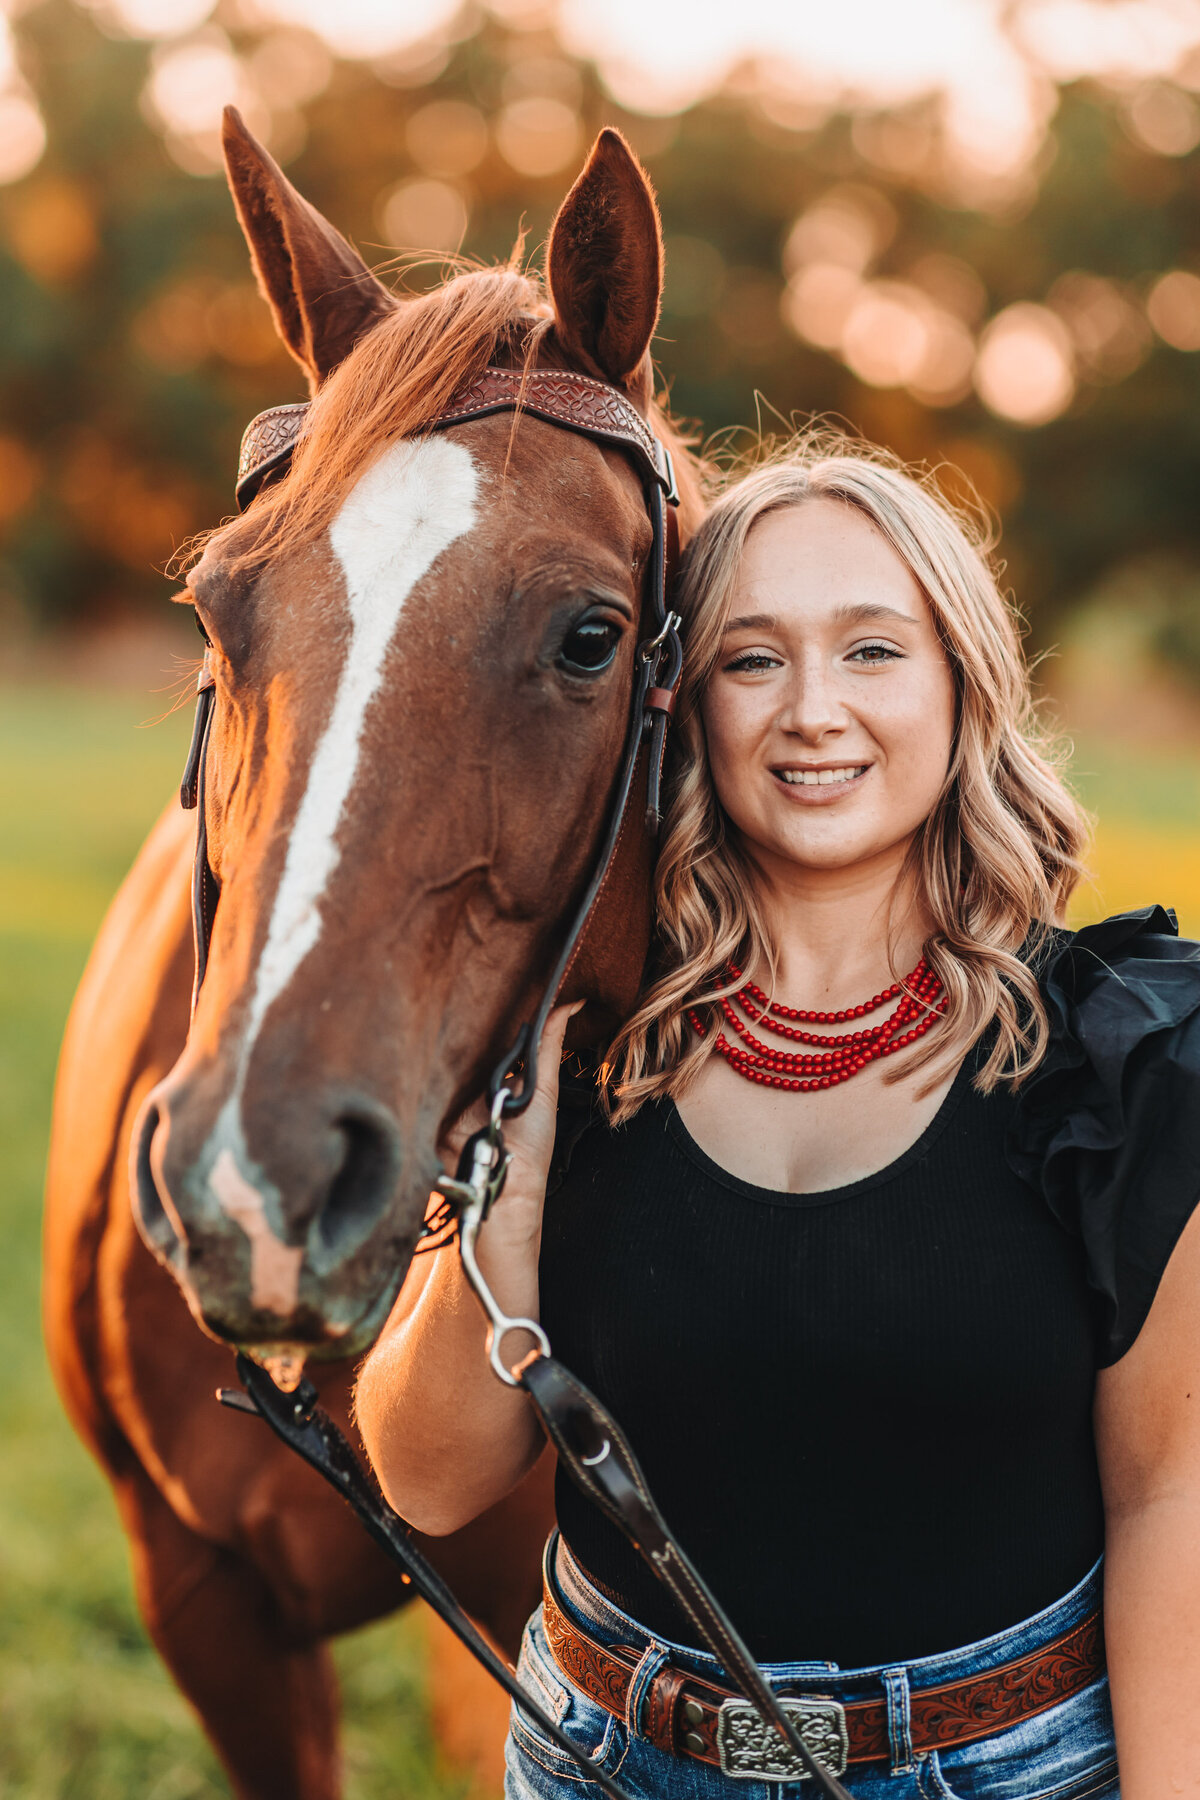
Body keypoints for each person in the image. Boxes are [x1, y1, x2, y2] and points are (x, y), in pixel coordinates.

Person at [355, 438, 1200, 1800]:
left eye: (873, 650)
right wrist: (501, 1213)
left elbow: (1177, 1498)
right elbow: (431, 1481)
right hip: (604, 1758)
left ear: (961, 681)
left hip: (1005, 1771)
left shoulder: (1125, 1059)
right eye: (754, 659)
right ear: (683, 706)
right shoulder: (577, 1034)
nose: (813, 710)